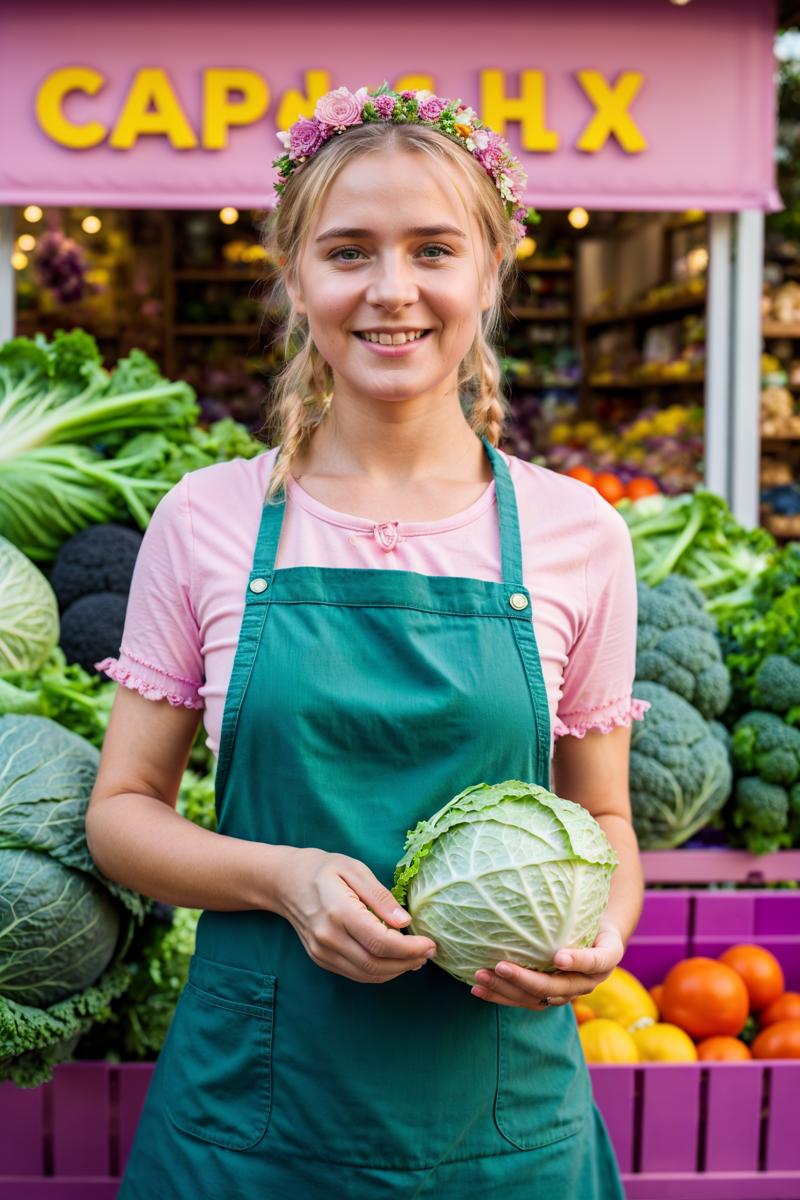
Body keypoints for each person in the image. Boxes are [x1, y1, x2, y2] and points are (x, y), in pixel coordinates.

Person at [87, 82, 649, 1200]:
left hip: (503, 1121)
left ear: (489, 273)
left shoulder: (576, 531)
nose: (392, 291)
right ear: (295, 276)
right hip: (248, 1119)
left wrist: (603, 936)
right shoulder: (205, 520)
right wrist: (282, 879)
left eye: (433, 249)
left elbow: (604, 817)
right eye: (349, 252)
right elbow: (122, 815)